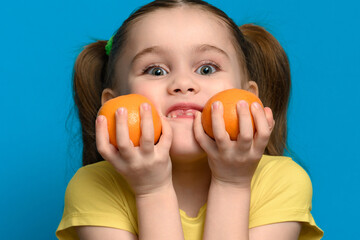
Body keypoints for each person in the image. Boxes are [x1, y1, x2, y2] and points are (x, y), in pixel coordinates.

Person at [56, 0, 323, 239]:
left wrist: (233, 183)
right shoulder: (94, 186)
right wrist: (152, 190)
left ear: (248, 96)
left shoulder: (282, 182)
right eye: (156, 70)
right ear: (113, 104)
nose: (183, 83)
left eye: (207, 69)